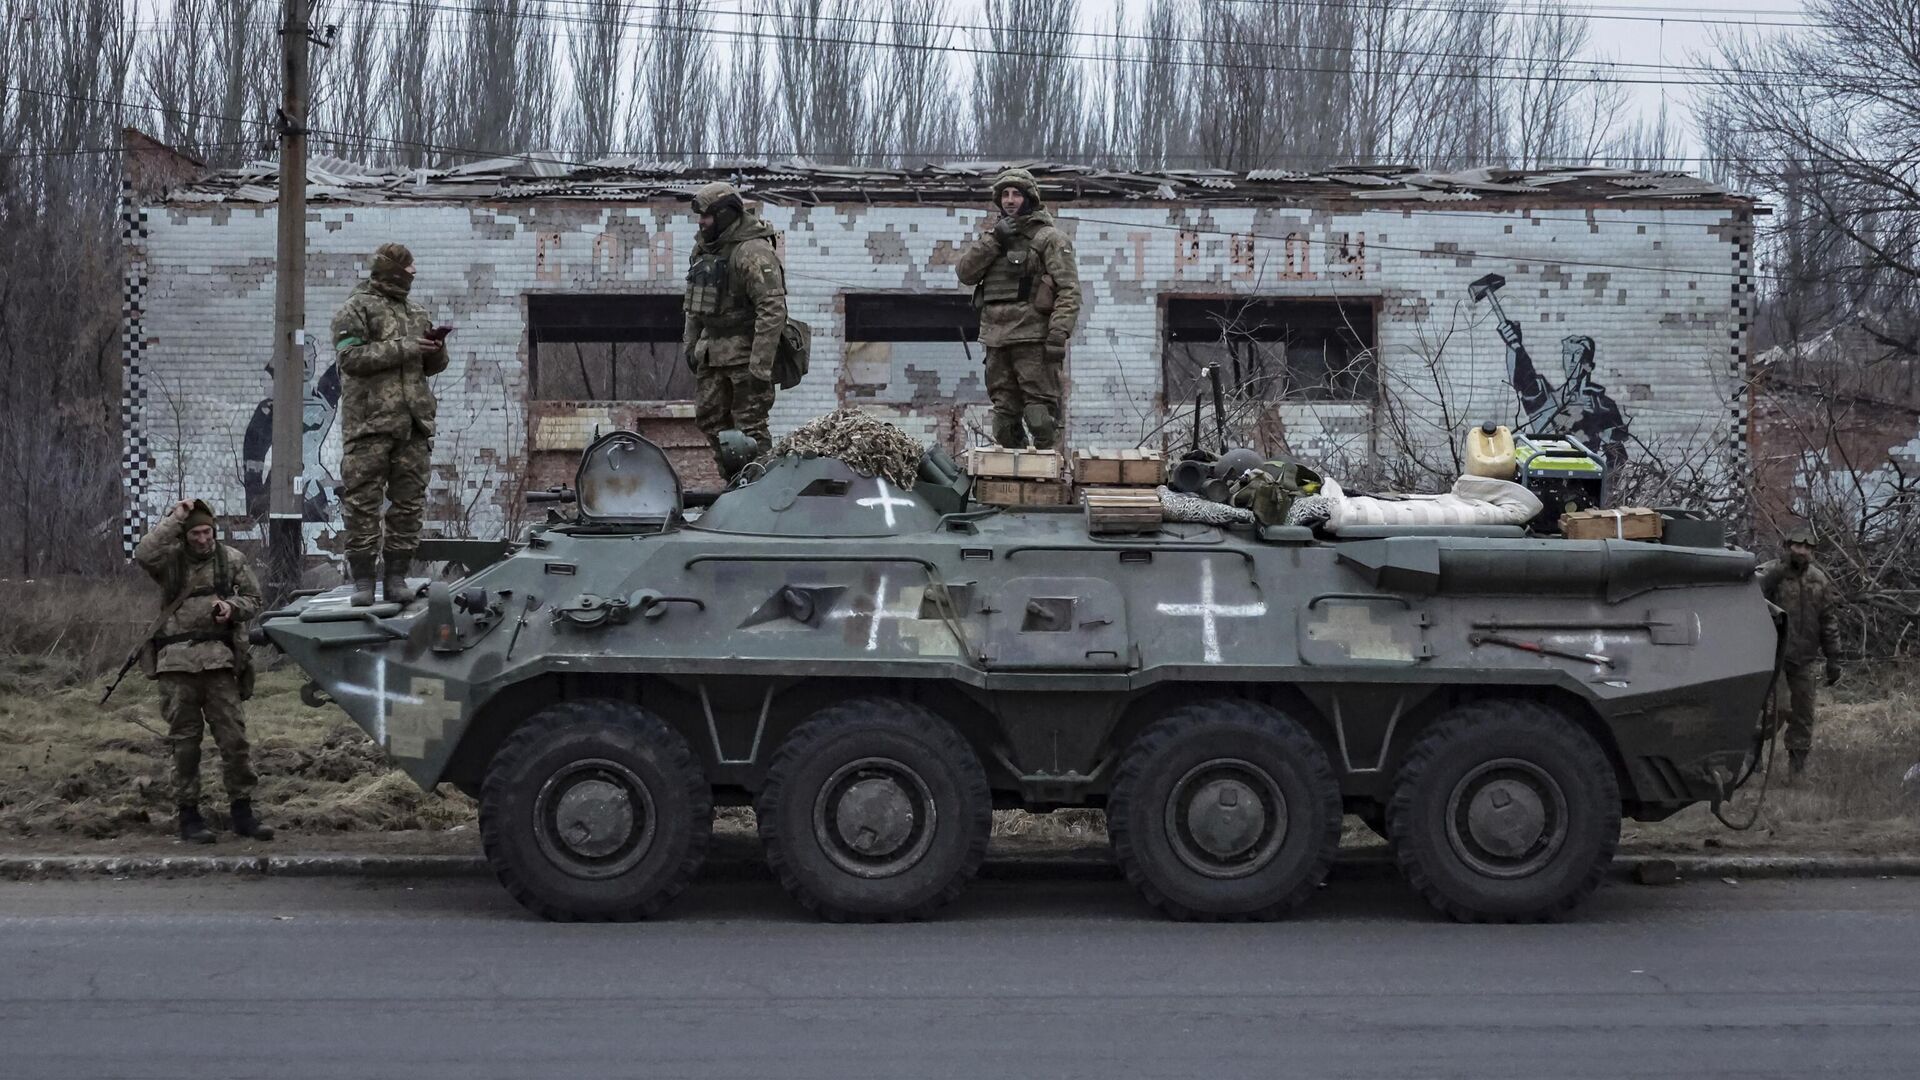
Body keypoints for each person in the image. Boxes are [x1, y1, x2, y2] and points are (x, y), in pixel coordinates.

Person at [133, 499, 272, 844]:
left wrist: (232, 607)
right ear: (185, 534)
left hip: (220, 664)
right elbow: (143, 554)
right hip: (177, 666)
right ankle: (189, 816)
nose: (202, 539)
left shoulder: (231, 560)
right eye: (194, 532)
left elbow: (255, 600)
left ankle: (243, 812)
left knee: (235, 741)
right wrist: (175, 518)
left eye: (207, 531)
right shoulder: (169, 562)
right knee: (185, 745)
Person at [330, 242, 448, 606]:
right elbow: (349, 358)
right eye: (408, 270)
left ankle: (396, 577)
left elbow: (432, 366)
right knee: (362, 503)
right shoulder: (356, 308)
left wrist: (435, 348)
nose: (413, 277)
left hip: (413, 424)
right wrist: (406, 347)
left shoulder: (416, 311)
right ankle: (363, 580)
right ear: (392, 271)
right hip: (369, 424)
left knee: (409, 504)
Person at [955, 168, 1081, 450]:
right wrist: (994, 240)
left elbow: (1069, 289)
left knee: (1040, 417)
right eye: (1005, 195)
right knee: (1003, 422)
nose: (1010, 200)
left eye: (1016, 194)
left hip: (1033, 338)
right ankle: (1018, 479)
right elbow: (965, 273)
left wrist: (1058, 332)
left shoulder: (1049, 238)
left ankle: (1048, 475)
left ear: (1029, 198)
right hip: (996, 339)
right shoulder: (993, 239)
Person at [684, 182, 787, 476]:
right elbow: (693, 304)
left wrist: (760, 366)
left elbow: (772, 309)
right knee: (710, 420)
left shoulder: (752, 251)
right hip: (711, 353)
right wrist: (690, 346)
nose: (701, 223)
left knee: (750, 425)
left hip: (746, 354)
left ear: (725, 213)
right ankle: (733, 482)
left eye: (706, 215)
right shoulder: (703, 249)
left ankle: (761, 486)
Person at [1758, 524, 1844, 779]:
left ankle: (1796, 771)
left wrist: (1834, 659)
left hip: (1805, 658)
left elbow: (1828, 621)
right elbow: (1751, 609)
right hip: (1774, 656)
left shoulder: (1819, 579)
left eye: (1807, 547)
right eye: (1798, 545)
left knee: (1804, 714)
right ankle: (1751, 751)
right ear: (1787, 546)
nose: (1802, 551)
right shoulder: (1770, 573)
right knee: (1777, 710)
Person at [1498, 322, 1630, 471]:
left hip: (1583, 477)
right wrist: (1514, 346)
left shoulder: (1603, 405)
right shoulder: (1548, 400)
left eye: (1578, 354)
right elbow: (1524, 380)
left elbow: (1618, 456)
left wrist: (1604, 486)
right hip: (1545, 472)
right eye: (1567, 354)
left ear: (1589, 365)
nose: (1572, 360)